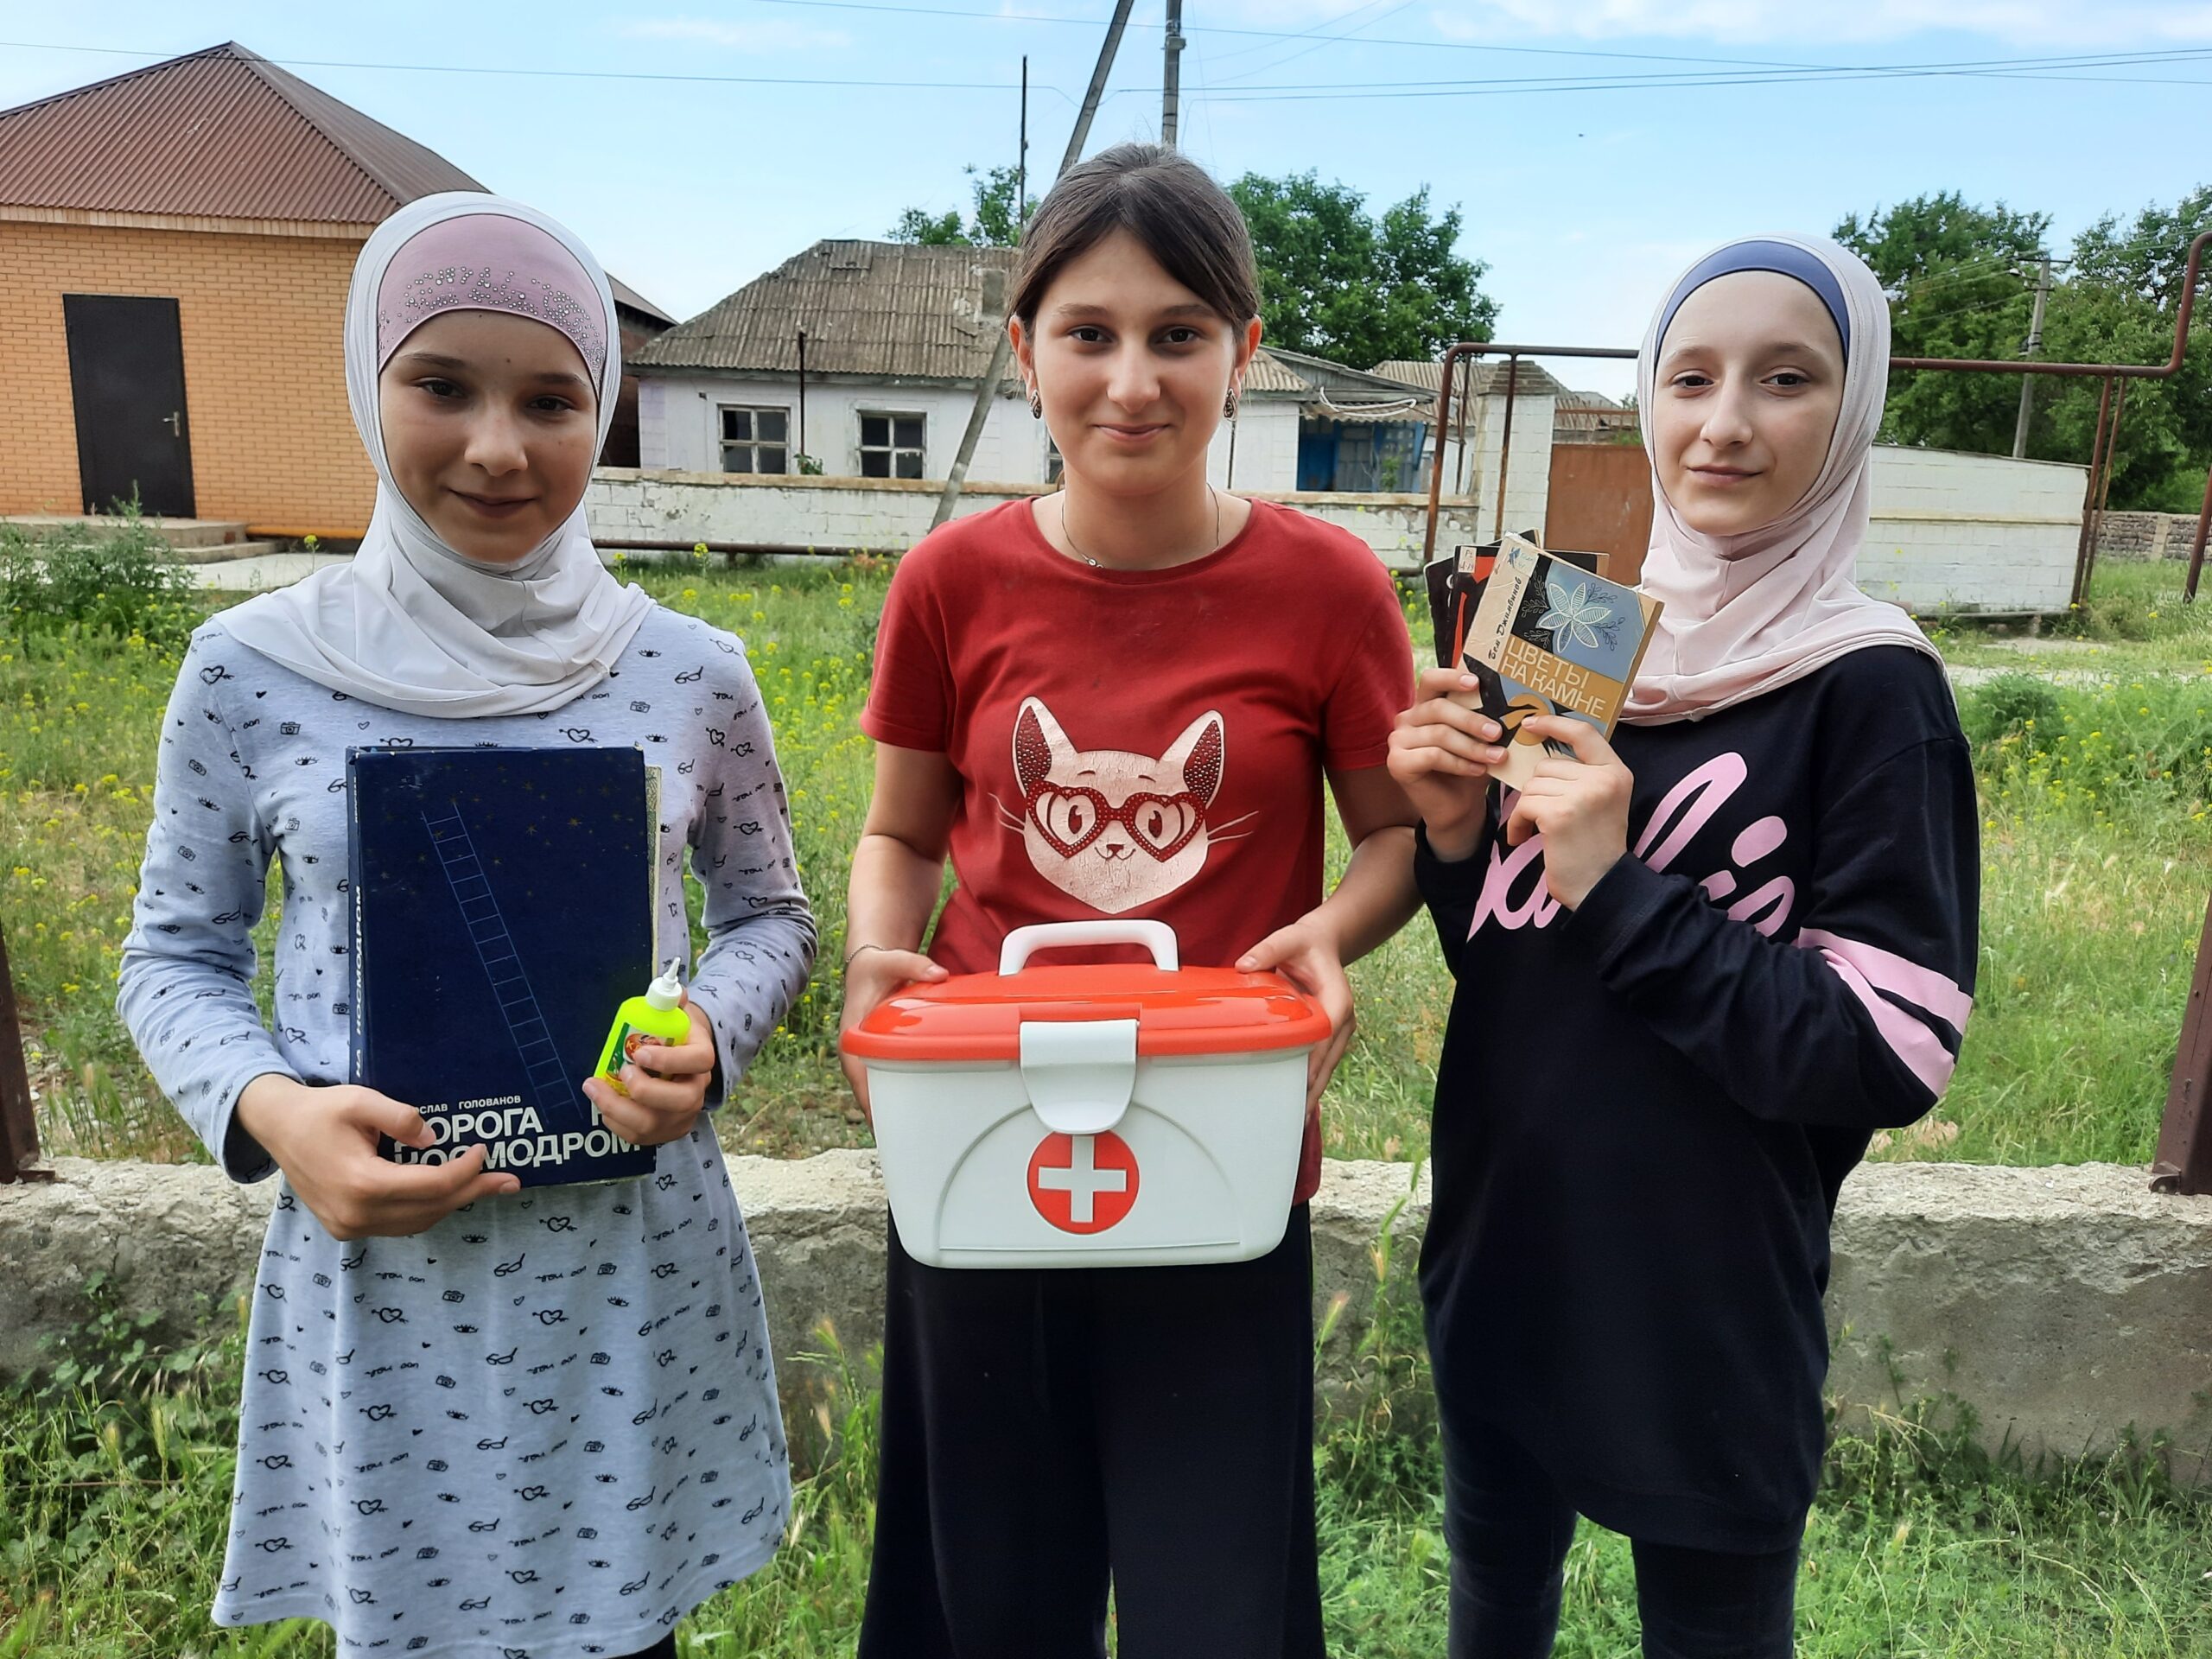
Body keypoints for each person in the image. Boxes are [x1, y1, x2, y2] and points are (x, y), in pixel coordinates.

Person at [117, 193, 815, 1659]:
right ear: (368, 387)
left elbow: (769, 916)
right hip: (383, 1285)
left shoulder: (691, 673)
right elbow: (175, 953)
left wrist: (706, 1037)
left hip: (627, 1275)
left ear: (601, 412)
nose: (499, 446)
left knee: (627, 1632)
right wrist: (273, 1114)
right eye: (442, 385)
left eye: (551, 400)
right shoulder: (251, 669)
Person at [839, 143, 1420, 1657]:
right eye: (1088, 334)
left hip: (1216, 1151)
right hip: (986, 1142)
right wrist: (875, 958)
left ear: (1244, 350)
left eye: (1179, 334)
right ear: (1024, 350)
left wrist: (1332, 935)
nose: (1132, 380)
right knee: (988, 1590)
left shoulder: (1330, 589)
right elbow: (901, 831)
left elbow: (1393, 840)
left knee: (1213, 1597)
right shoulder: (950, 583)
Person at [1387, 234, 1979, 1659]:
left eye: (1788, 379)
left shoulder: (1872, 687)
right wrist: (1457, 842)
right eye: (1690, 377)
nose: (1724, 424)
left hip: (1706, 1301)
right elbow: (1521, 964)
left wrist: (1620, 882)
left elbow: (1891, 1052)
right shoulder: (1578, 626)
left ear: (1854, 409)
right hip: (1507, 1251)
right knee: (1494, 1612)